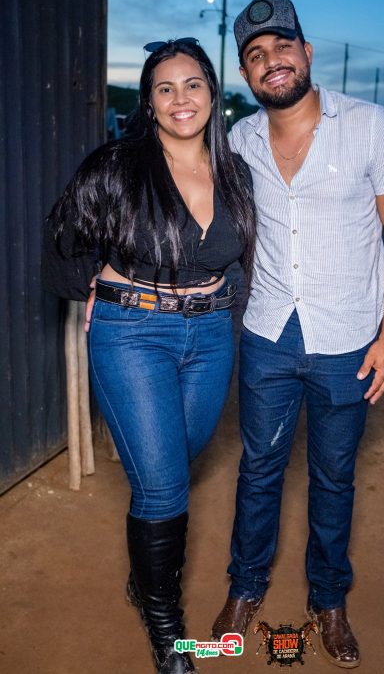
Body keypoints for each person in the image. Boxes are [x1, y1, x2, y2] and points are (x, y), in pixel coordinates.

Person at [211, 0, 384, 668]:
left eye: (280, 47)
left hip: (348, 343)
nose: (270, 61)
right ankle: (244, 590)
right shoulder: (240, 140)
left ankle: (328, 599)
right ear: (247, 75)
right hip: (269, 335)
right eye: (253, 55)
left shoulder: (371, 127)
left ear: (305, 52)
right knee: (259, 470)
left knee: (332, 478)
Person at [42, 38, 255, 674]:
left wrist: (229, 297)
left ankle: (146, 576)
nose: (180, 98)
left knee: (173, 463)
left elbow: (238, 254)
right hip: (133, 333)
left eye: (192, 84)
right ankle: (166, 628)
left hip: (212, 336)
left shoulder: (235, 170)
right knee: (163, 489)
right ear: (150, 102)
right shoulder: (118, 164)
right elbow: (63, 238)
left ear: (213, 94)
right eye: (165, 88)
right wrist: (93, 286)